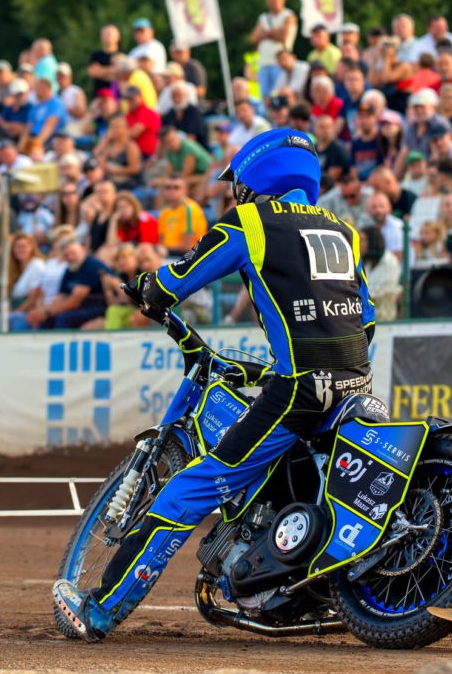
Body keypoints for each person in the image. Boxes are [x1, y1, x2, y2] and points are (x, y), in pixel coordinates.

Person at [54, 127, 375, 643]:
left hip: (299, 388)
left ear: (255, 176)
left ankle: (100, 610)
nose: (234, 192)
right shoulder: (343, 230)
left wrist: (146, 290)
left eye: (236, 182)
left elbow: (172, 281)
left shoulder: (248, 223)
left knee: (189, 489)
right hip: (354, 382)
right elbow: (368, 319)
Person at [157, 177, 207, 258]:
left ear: (184, 190)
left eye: (176, 187)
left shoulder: (189, 209)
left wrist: (165, 249)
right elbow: (161, 241)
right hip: (167, 254)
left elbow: (187, 246)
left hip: (189, 256)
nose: (171, 190)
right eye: (167, 187)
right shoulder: (164, 211)